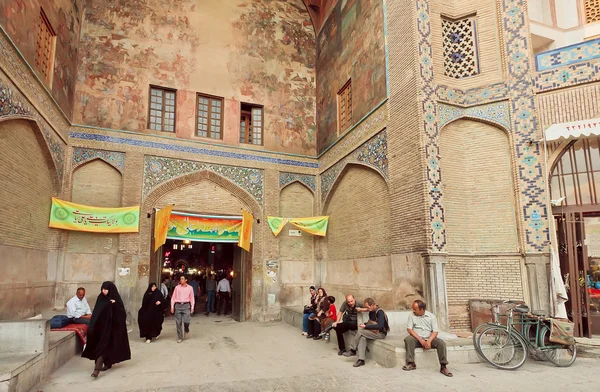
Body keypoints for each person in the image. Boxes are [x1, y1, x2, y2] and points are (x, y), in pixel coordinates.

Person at [82, 282, 131, 378]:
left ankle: (97, 369)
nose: (103, 291)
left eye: (106, 289)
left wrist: (114, 305)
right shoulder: (101, 299)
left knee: (105, 349)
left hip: (112, 331)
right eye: (102, 289)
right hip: (101, 330)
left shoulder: (116, 300)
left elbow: (121, 315)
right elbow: (96, 313)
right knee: (101, 348)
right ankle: (100, 367)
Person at [403, 300, 453, 377]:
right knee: (408, 339)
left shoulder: (431, 316)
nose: (413, 311)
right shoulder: (411, 315)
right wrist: (421, 340)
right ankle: (411, 363)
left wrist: (429, 341)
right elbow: (410, 329)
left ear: (421, 309)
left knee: (441, 343)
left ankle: (443, 366)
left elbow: (435, 331)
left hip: (429, 337)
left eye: (415, 309)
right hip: (417, 338)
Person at [343, 298, 389, 367]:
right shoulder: (371, 312)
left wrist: (365, 327)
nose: (367, 309)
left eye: (368, 307)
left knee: (361, 332)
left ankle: (353, 349)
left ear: (373, 305)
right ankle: (361, 360)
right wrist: (364, 324)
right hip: (373, 332)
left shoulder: (380, 312)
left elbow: (380, 326)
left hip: (381, 333)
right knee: (362, 338)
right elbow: (371, 323)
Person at [171, 275, 195, 343]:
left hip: (186, 305)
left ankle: (186, 329)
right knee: (178, 322)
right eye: (180, 279)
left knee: (186, 321)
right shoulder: (177, 288)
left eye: (182, 279)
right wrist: (172, 306)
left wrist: (192, 307)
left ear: (186, 280)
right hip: (178, 305)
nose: (181, 280)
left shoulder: (190, 288)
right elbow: (173, 297)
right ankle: (180, 337)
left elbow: (192, 298)